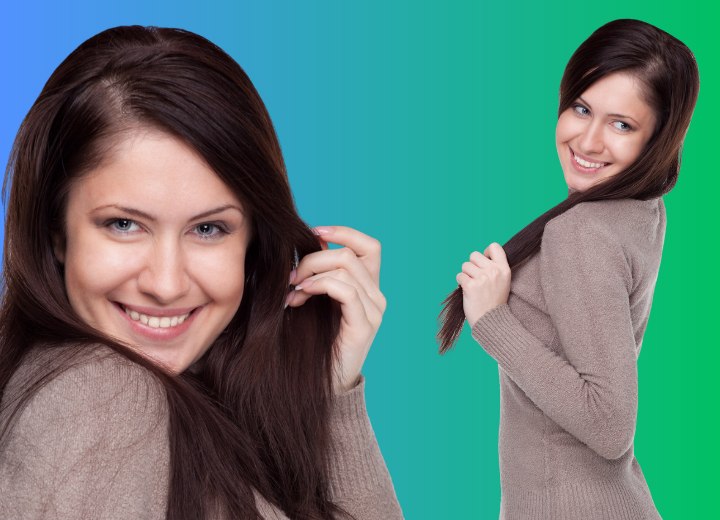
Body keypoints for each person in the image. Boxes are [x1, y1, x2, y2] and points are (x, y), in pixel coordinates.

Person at [0, 26, 403, 520]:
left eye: (208, 229)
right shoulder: (104, 399)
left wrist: (330, 390)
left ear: (254, 243)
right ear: (56, 231)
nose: (166, 284)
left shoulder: (135, 394)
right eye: (124, 225)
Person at [438, 19, 699, 519]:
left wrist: (492, 322)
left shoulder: (581, 233)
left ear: (657, 139)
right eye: (581, 108)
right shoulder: (642, 209)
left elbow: (609, 425)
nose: (589, 141)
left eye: (622, 124)